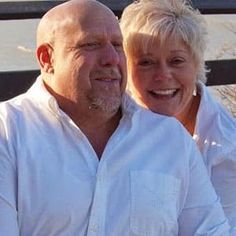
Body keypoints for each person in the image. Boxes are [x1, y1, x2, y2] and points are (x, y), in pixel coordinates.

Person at [0, 0, 230, 235]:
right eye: (91, 44)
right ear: (47, 59)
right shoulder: (8, 132)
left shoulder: (171, 139)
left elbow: (211, 230)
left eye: (117, 45)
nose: (112, 58)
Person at [120, 0, 236, 233]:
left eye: (176, 61)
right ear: (125, 67)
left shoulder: (226, 149)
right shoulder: (106, 127)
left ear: (196, 64)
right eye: (146, 62)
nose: (163, 75)